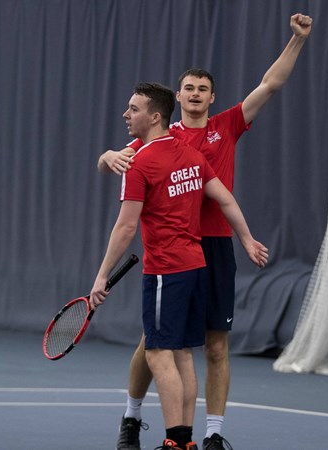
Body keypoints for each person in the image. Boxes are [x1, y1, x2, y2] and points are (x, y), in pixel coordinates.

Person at [99, 14, 312, 450]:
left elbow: (270, 84)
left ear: (212, 97)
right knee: (154, 342)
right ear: (178, 96)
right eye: (189, 88)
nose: (195, 94)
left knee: (214, 347)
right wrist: (105, 156)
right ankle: (132, 418)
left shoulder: (227, 127)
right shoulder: (161, 137)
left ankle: (209, 436)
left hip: (213, 249)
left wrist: (297, 40)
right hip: (176, 250)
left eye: (203, 89)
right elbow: (116, 160)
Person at [89, 82, 268, 450]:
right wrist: (247, 238)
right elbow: (226, 199)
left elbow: (125, 227)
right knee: (184, 353)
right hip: (195, 266)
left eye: (133, 109)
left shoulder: (140, 164)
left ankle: (175, 440)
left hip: (164, 270)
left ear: (155, 117)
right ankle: (185, 441)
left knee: (157, 353)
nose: (126, 115)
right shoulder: (190, 156)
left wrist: (102, 274)